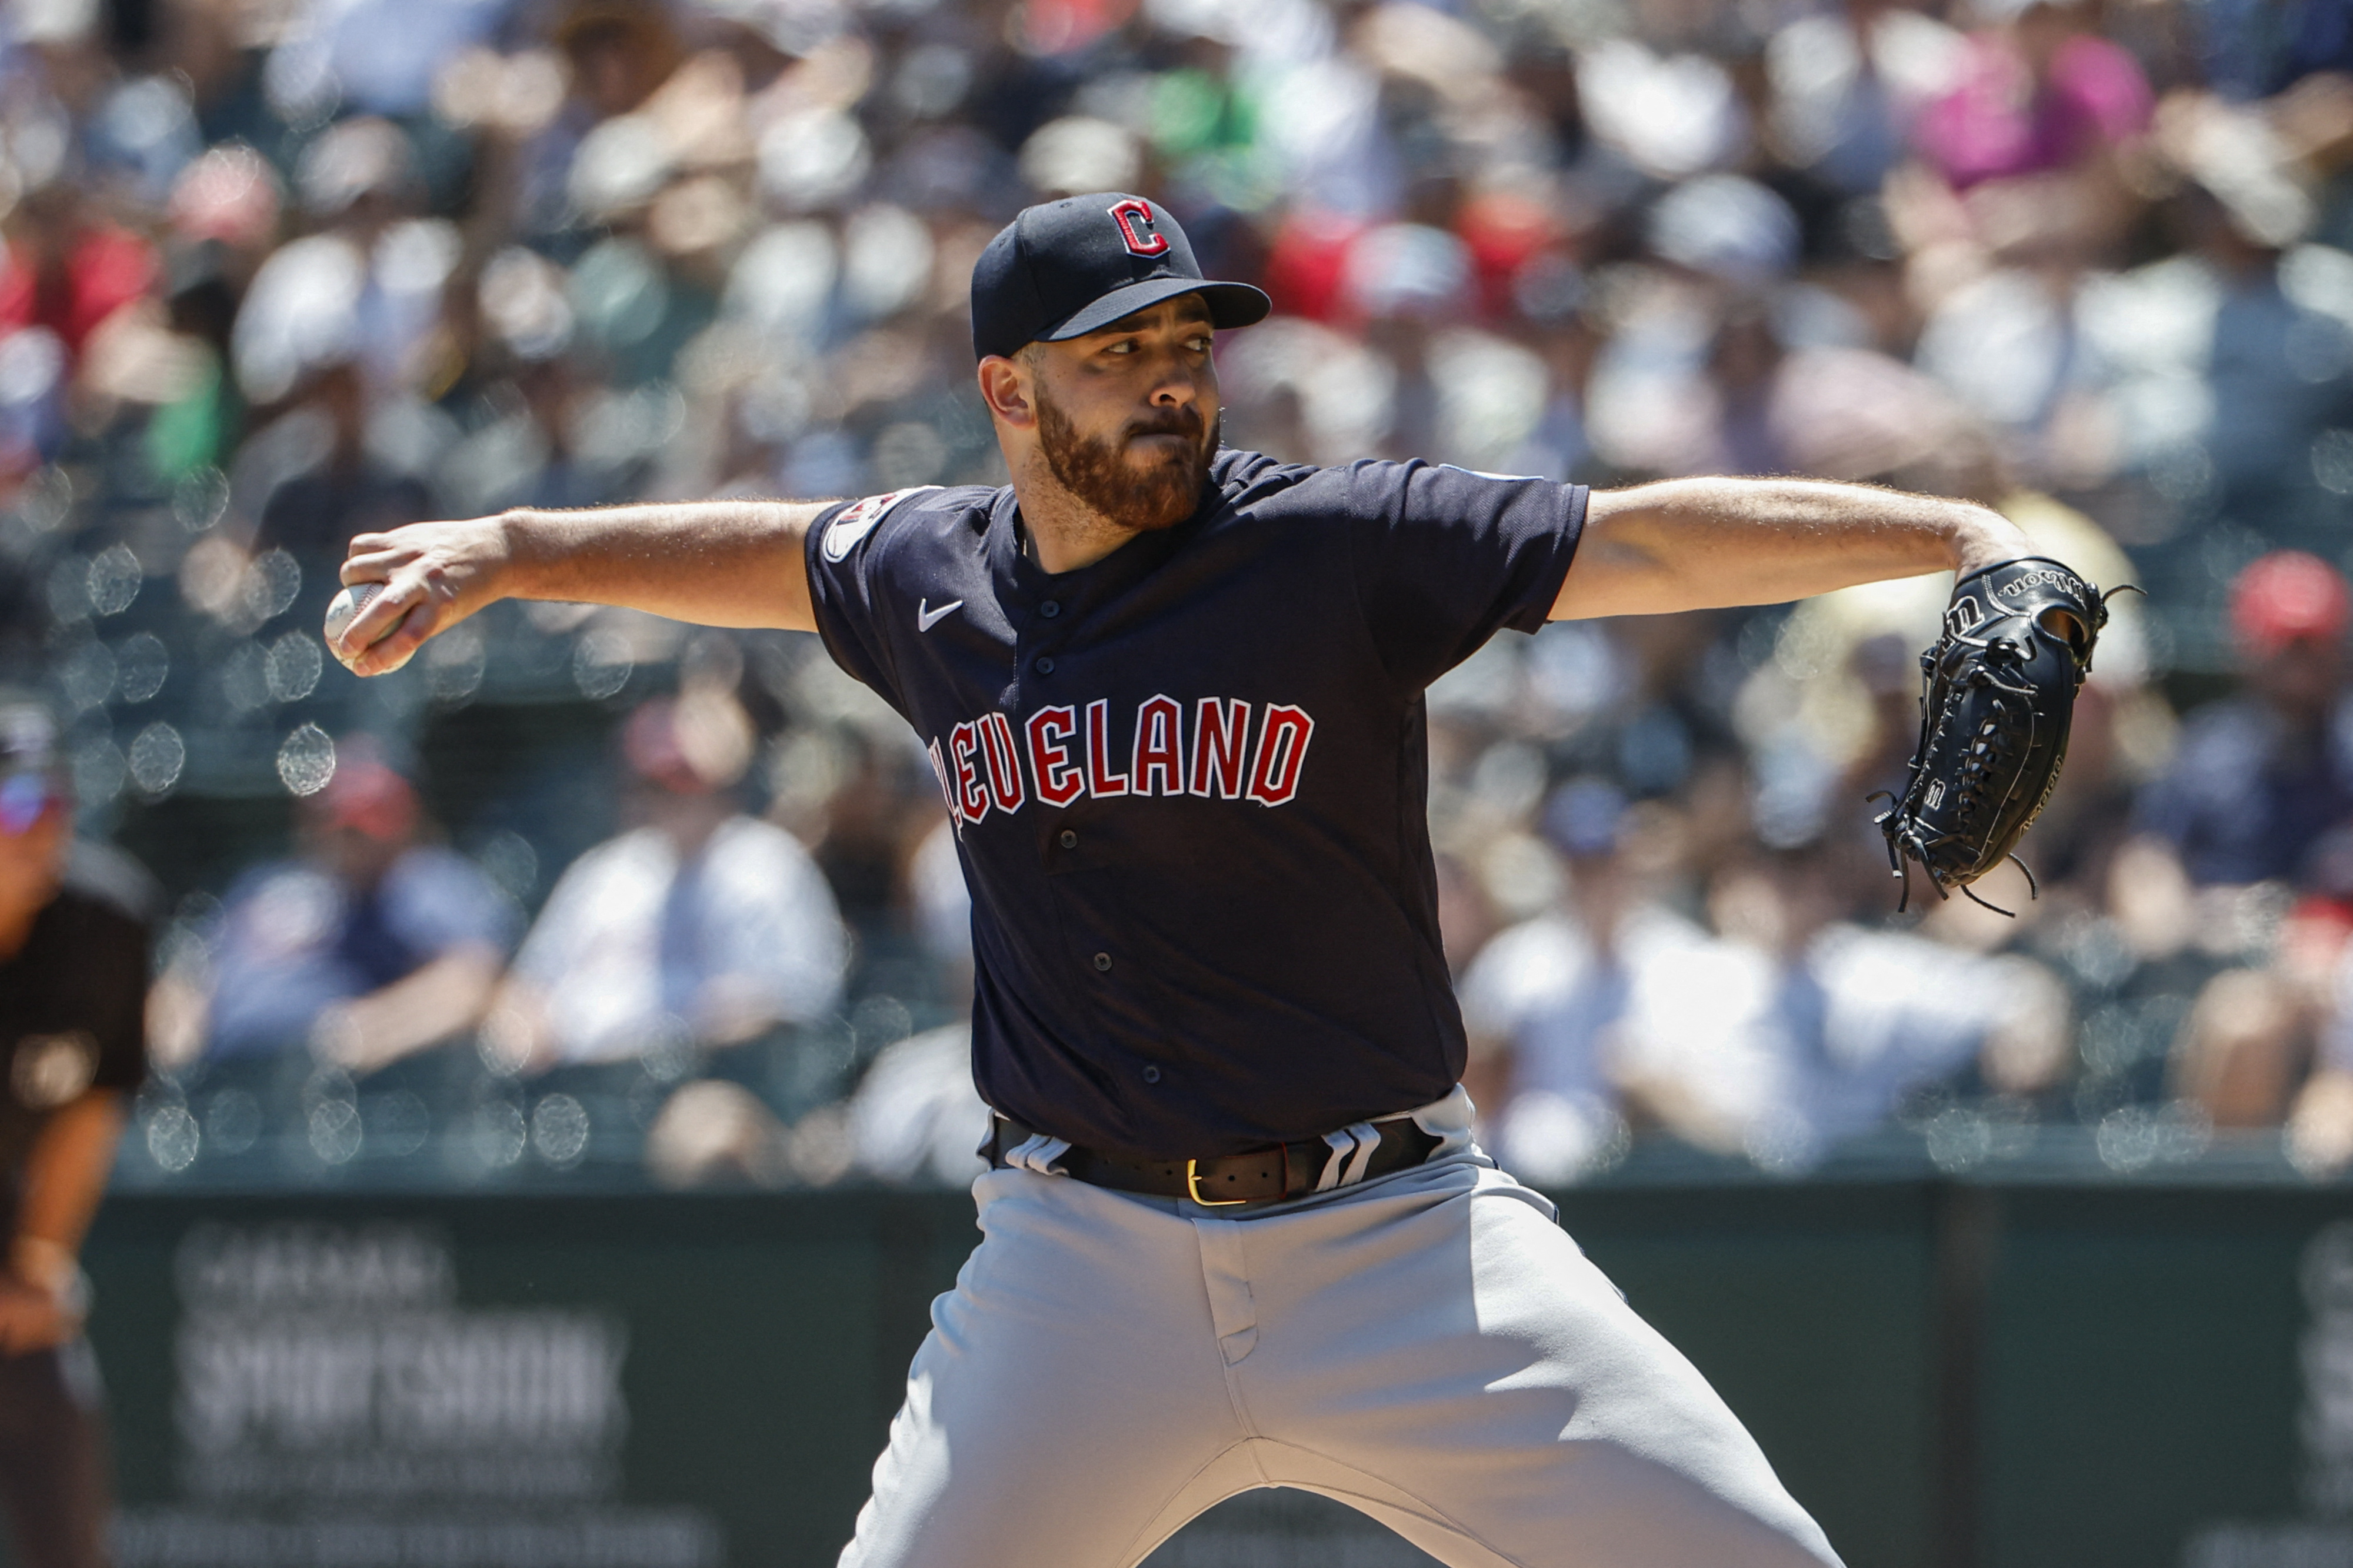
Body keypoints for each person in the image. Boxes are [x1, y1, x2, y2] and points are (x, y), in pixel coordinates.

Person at [331, 192, 2034, 1567]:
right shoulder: (928, 572)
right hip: (1077, 1264)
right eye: (1117, 351)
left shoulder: (1332, 542)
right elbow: (765, 556)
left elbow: (1642, 537)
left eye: (1187, 343)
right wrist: (512, 549)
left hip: (1401, 1245)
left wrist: (1950, 536)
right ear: (1007, 391)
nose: (1172, 378)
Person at [0, 693, 152, 1568]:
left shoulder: (104, 923)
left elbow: (92, 1106)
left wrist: (34, 1263)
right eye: (16, 805)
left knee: (53, 1408)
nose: (41, 825)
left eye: (54, 801)